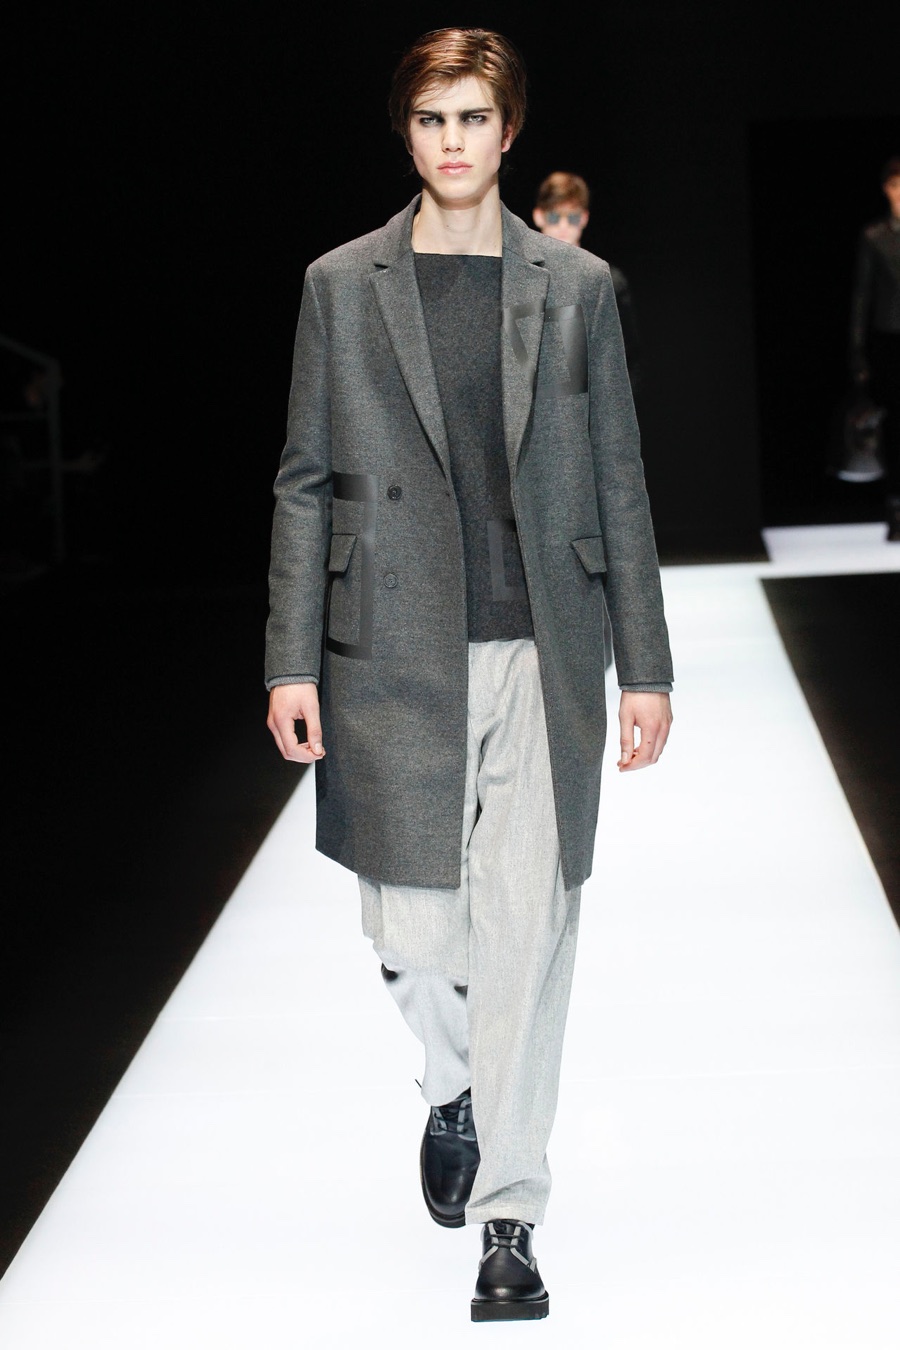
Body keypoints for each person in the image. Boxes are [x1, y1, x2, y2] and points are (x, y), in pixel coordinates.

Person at [265, 27, 673, 1323]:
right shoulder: (342, 284)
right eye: (433, 118)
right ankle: (452, 1085)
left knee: (529, 933)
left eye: (475, 118)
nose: (454, 140)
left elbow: (618, 478)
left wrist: (646, 665)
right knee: (413, 930)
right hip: (391, 647)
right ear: (408, 132)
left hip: (544, 648)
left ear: (511, 131)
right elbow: (305, 480)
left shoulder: (577, 287)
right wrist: (288, 657)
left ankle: (511, 1216)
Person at [533, 170, 641, 392]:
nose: (563, 226)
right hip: (536, 402)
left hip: (590, 401)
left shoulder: (608, 281)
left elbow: (625, 357)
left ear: (583, 218)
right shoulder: (521, 279)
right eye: (554, 217)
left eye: (572, 217)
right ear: (539, 216)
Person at [849, 155, 900, 540]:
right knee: (894, 426)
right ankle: (895, 505)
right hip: (891, 340)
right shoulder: (875, 236)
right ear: (886, 189)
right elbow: (861, 298)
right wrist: (857, 352)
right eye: (897, 185)